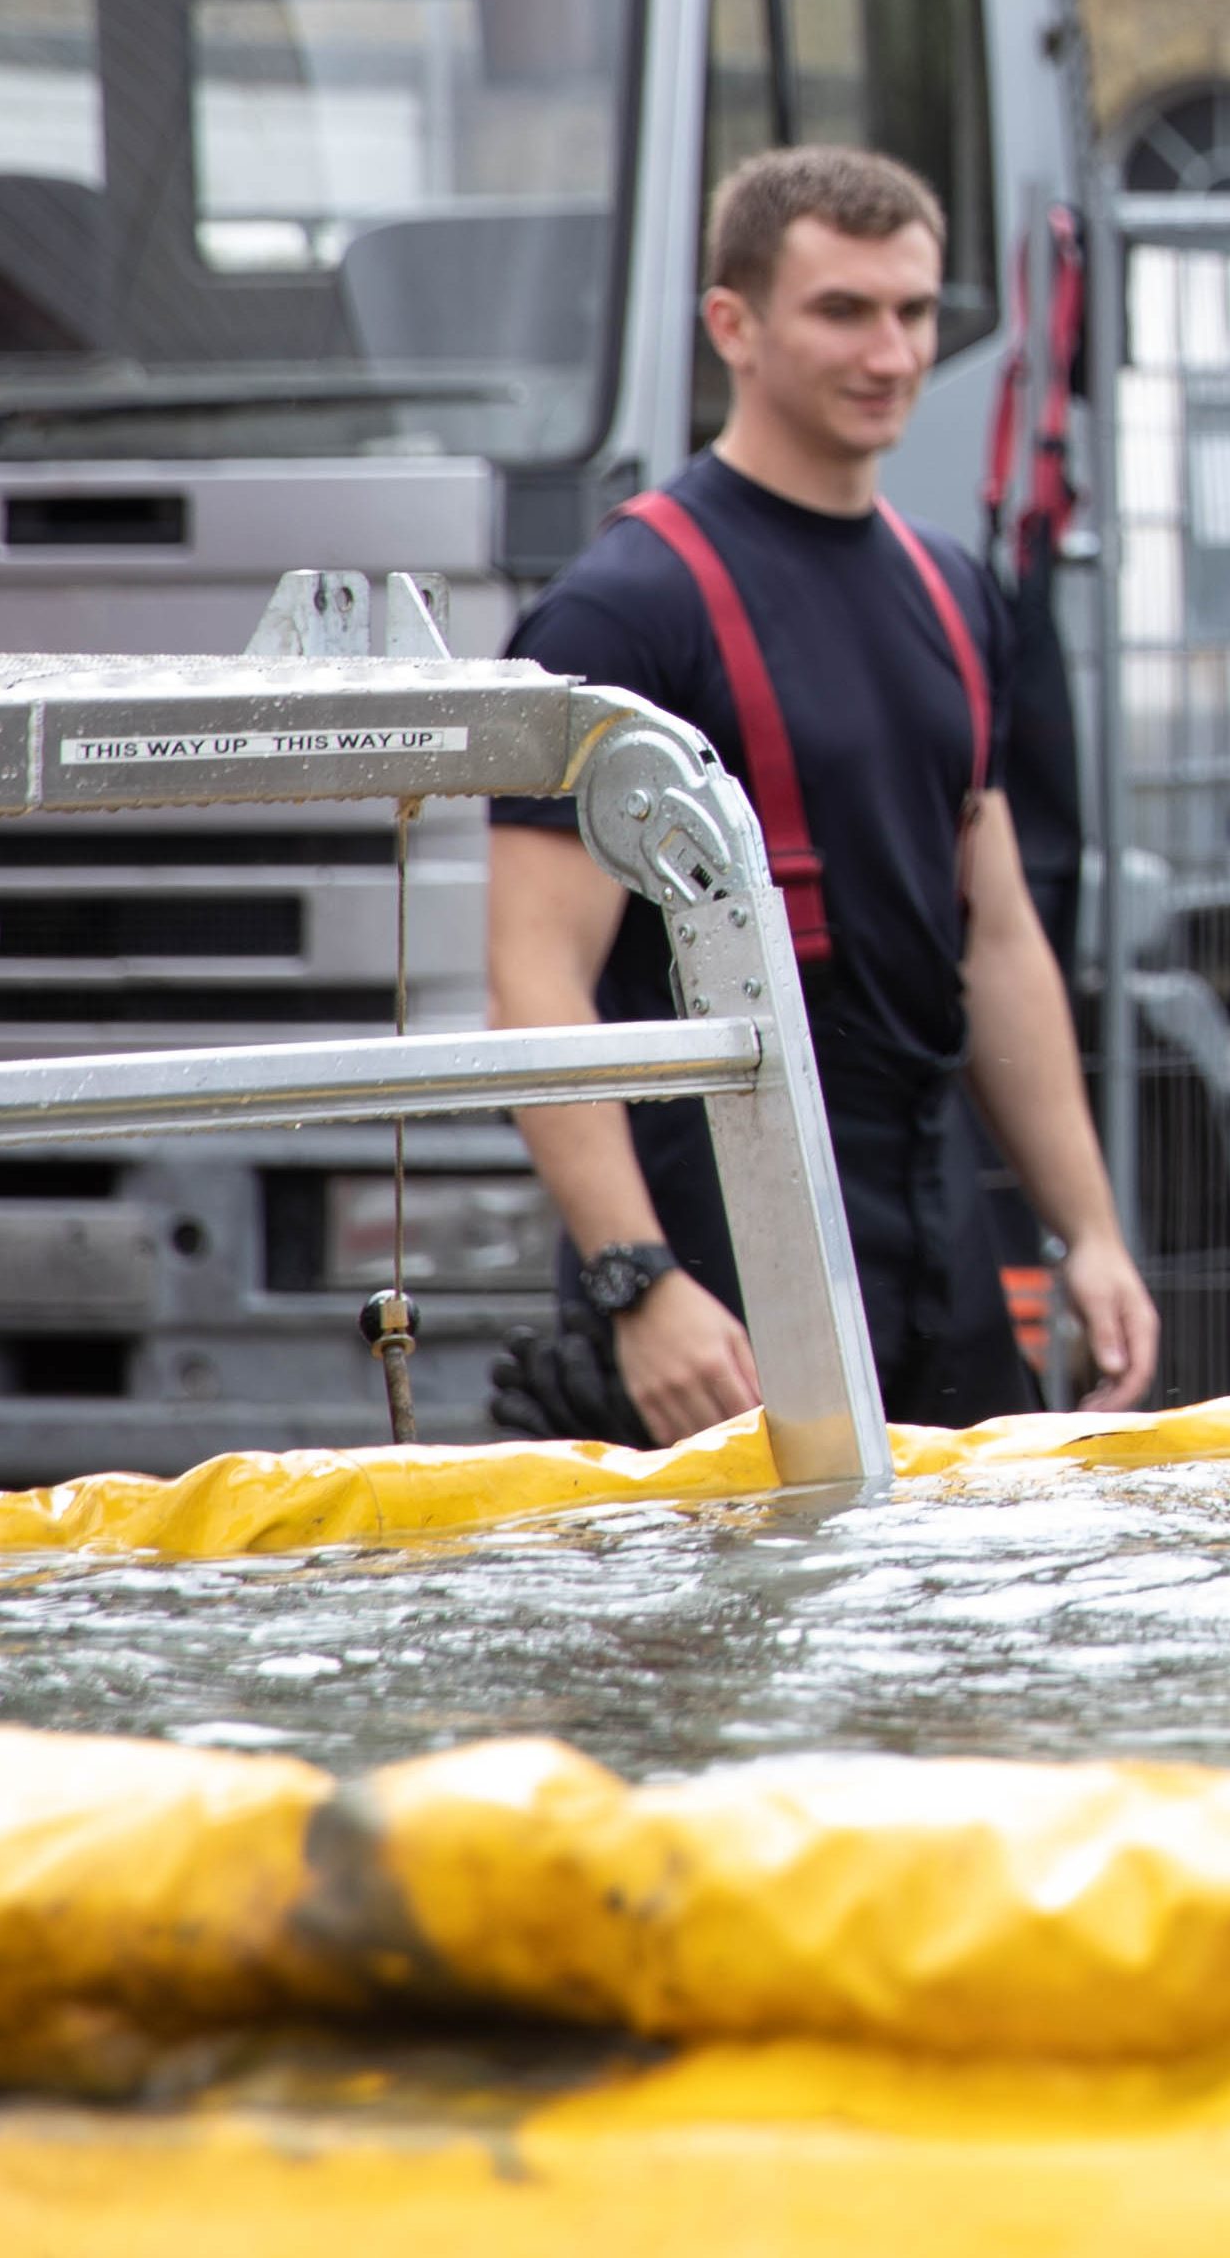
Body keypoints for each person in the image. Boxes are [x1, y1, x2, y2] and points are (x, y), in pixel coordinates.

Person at [488, 146, 1162, 1443]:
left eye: (914, 313)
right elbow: (536, 982)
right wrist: (638, 1286)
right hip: (713, 1253)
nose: (892, 353)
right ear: (731, 325)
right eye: (843, 311)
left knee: (971, 1629)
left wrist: (1089, 1231)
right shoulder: (621, 614)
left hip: (935, 1233)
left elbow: (1001, 938)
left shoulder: (958, 595)